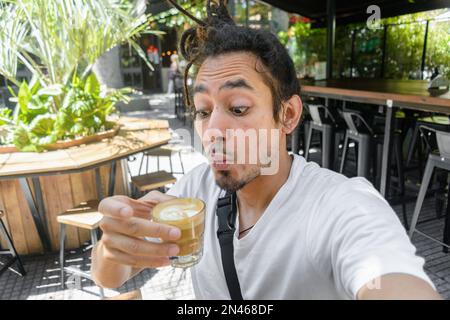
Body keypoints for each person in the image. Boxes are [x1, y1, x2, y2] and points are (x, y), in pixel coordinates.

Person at [91, 1, 441, 300]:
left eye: (238, 108)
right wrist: (114, 245)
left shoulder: (341, 207)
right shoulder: (194, 192)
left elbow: (388, 272)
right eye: (202, 110)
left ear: (287, 115)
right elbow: (109, 277)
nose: (212, 131)